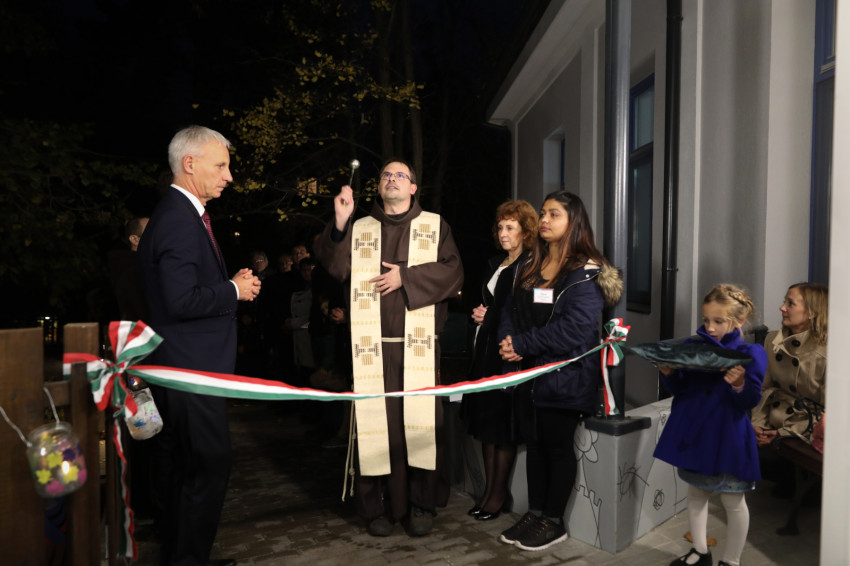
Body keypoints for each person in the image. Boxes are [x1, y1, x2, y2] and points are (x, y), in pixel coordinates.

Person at [314, 158, 464, 537]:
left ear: (413, 187)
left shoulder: (435, 226)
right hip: (371, 352)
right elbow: (334, 266)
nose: (392, 179)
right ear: (379, 187)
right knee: (375, 429)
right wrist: (340, 223)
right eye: (385, 175)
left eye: (400, 175)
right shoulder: (360, 228)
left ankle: (421, 504)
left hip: (418, 351)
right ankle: (376, 507)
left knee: (421, 428)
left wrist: (406, 277)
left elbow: (453, 272)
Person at [138, 125, 261, 566]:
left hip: (182, 365)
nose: (229, 176)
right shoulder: (178, 218)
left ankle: (181, 555)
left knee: (183, 465)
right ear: (189, 164)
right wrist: (233, 291)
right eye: (221, 165)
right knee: (208, 464)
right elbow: (180, 300)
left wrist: (229, 285)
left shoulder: (179, 214)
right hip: (191, 370)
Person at [497, 190, 622, 551]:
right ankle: (535, 513)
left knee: (556, 446)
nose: (544, 220)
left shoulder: (586, 273)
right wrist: (509, 340)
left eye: (554, 214)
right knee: (535, 446)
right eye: (543, 213)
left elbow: (575, 330)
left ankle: (553, 521)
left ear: (574, 222)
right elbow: (510, 308)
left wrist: (522, 345)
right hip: (529, 376)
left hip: (566, 376)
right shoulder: (530, 263)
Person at [654, 284, 767, 566]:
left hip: (728, 436)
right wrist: (669, 374)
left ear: (739, 321)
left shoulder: (751, 352)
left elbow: (751, 400)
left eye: (719, 320)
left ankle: (732, 561)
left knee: (733, 502)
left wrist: (739, 383)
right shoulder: (693, 347)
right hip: (695, 433)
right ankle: (700, 552)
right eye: (706, 320)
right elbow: (681, 391)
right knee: (696, 493)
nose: (710, 327)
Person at [461, 199, 537, 521]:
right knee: (486, 424)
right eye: (500, 227)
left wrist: (489, 316)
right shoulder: (496, 263)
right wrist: (478, 313)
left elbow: (524, 312)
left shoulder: (531, 265)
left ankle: (497, 496)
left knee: (502, 426)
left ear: (526, 231)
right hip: (484, 351)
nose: (503, 233)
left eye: (510, 227)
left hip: (507, 354)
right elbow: (488, 303)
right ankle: (489, 493)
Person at [751, 282, 828, 494]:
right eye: (784, 302)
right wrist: (758, 425)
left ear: (812, 312)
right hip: (773, 418)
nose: (782, 308)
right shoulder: (772, 340)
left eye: (790, 303)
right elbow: (763, 389)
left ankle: (805, 489)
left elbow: (827, 413)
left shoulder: (828, 352)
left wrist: (782, 433)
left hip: (805, 428)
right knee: (742, 445)